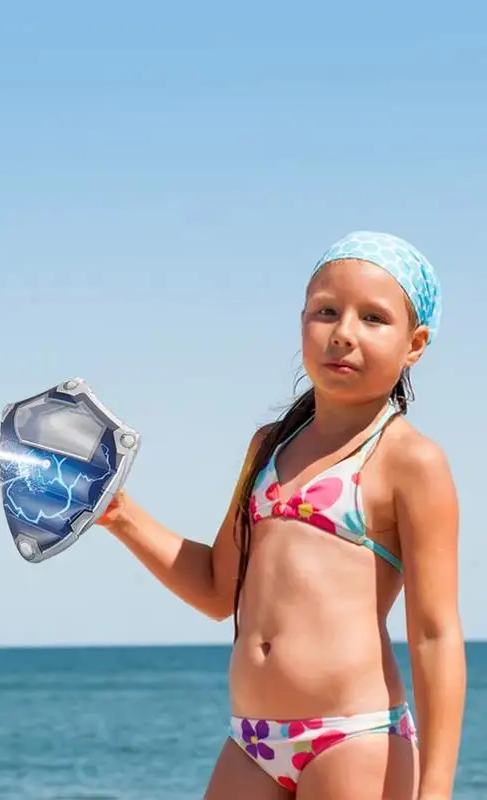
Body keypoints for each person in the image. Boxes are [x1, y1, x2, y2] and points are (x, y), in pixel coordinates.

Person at [98, 231, 465, 799]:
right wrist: (120, 513)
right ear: (301, 322)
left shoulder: (410, 460)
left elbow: (435, 634)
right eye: (326, 311)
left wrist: (436, 788)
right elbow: (220, 589)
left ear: (414, 344)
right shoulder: (268, 447)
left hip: (353, 738)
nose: (343, 332)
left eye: (373, 318)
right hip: (252, 741)